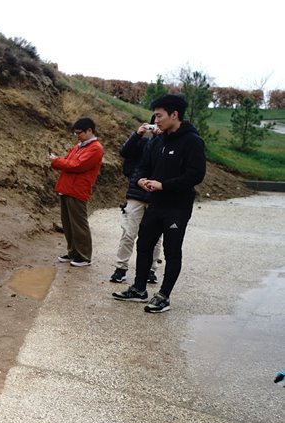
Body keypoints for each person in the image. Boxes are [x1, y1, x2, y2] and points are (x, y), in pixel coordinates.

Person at [112, 94, 206, 313]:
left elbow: (196, 174)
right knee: (144, 244)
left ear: (175, 115)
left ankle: (163, 296)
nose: (156, 121)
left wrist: (164, 185)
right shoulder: (158, 141)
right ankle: (138, 289)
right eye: (155, 116)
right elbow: (143, 165)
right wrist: (142, 180)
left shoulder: (192, 141)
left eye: (159, 115)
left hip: (177, 207)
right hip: (155, 204)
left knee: (171, 250)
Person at [109, 117, 163, 284]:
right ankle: (121, 268)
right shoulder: (143, 142)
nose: (158, 125)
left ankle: (151, 270)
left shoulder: (171, 144)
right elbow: (125, 152)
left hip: (158, 196)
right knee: (128, 233)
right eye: (155, 121)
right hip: (136, 194)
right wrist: (137, 134)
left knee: (155, 238)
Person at [48, 117, 104, 267]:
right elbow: (68, 162)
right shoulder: (80, 145)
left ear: (89, 131)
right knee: (68, 223)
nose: (77, 135)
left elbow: (76, 165)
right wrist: (59, 161)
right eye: (76, 133)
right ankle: (73, 252)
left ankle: (84, 256)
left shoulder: (95, 148)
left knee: (78, 224)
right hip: (67, 187)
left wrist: (56, 160)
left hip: (78, 189)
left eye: (79, 133)